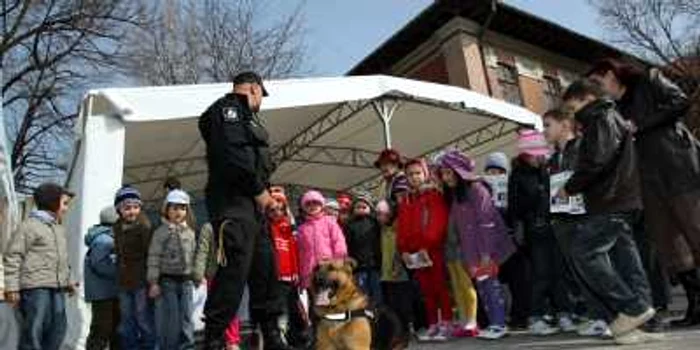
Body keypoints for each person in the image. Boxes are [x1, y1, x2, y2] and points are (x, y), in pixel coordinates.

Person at [587, 58, 700, 327]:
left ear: (612, 75)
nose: (599, 89)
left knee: (696, 229)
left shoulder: (648, 79)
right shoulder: (614, 108)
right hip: (648, 181)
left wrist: (641, 124)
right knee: (671, 245)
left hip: (678, 166)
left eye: (599, 82)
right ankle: (696, 305)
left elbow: (681, 101)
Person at [559, 79, 659, 345]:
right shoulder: (610, 117)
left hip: (612, 201)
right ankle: (634, 326)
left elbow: (596, 161)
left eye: (573, 106)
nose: (573, 114)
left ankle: (633, 309)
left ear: (587, 98)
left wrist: (570, 187)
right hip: (620, 200)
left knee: (584, 251)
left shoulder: (600, 118)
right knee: (627, 262)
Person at [199, 71, 291, 349]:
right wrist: (260, 192)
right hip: (233, 204)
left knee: (265, 271)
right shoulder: (228, 110)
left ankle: (272, 334)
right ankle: (214, 339)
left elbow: (252, 161)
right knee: (234, 274)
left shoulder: (246, 117)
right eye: (262, 94)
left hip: (252, 206)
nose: (262, 100)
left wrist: (267, 191)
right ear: (253, 88)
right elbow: (233, 157)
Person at [543, 109, 610, 337]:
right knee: (577, 271)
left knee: (596, 267)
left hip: (585, 217)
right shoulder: (552, 159)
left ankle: (613, 315)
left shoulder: (582, 148)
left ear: (564, 125)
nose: (544, 131)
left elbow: (591, 176)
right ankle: (598, 316)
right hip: (562, 221)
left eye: (548, 125)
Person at [436, 151, 515, 340]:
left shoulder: (477, 189)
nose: (445, 178)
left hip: (487, 250)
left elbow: (486, 222)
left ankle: (499, 324)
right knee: (483, 287)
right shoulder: (457, 195)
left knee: (491, 286)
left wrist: (487, 253)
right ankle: (494, 323)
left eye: (448, 172)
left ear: (458, 171)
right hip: (473, 253)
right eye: (443, 174)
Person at [4, 183, 76, 350]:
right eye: (64, 203)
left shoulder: (57, 228)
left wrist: (69, 280)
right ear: (52, 202)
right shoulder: (29, 226)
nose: (66, 208)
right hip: (35, 287)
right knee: (34, 327)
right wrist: (12, 287)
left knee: (58, 327)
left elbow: (62, 259)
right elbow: (13, 256)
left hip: (57, 287)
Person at [397, 158, 452, 342]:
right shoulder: (405, 200)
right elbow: (402, 227)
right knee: (426, 290)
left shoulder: (433, 195)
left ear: (425, 174)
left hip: (431, 249)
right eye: (410, 174)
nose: (414, 177)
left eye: (417, 173)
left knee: (439, 287)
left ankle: (446, 322)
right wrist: (403, 249)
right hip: (414, 253)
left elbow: (437, 223)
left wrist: (426, 246)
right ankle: (433, 324)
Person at [147, 189, 197, 349]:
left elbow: (194, 255)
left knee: (187, 317)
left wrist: (198, 275)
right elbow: (153, 257)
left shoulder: (190, 232)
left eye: (182, 208)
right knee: (171, 320)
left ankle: (187, 346)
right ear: (166, 210)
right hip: (167, 281)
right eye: (174, 208)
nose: (178, 212)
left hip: (186, 281)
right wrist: (154, 282)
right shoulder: (160, 232)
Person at [113, 185, 156, 350]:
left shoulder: (144, 226)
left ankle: (149, 346)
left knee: (143, 317)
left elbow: (151, 254)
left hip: (141, 280)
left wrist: (152, 280)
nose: (132, 211)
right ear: (119, 209)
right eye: (127, 208)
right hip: (124, 281)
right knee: (126, 319)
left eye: (136, 207)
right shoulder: (117, 227)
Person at [266, 191, 311, 348]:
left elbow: (294, 252)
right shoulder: (267, 228)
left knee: (295, 309)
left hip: (291, 277)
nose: (277, 213)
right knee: (277, 311)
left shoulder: (289, 228)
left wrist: (297, 273)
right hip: (276, 278)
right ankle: (277, 339)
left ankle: (299, 337)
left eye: (281, 209)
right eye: (273, 210)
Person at [194, 222, 245, 350]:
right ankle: (217, 339)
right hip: (215, 275)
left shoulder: (235, 224)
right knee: (215, 309)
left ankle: (232, 340)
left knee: (232, 308)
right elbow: (203, 250)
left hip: (233, 274)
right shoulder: (208, 227)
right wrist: (199, 273)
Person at [377, 199, 413, 346]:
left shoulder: (398, 227)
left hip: (400, 273)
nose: (380, 218)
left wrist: (398, 265)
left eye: (383, 214)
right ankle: (397, 333)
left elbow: (401, 247)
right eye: (378, 215)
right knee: (391, 307)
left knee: (403, 305)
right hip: (386, 275)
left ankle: (407, 331)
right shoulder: (382, 230)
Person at [84, 206, 121, 350]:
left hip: (109, 291)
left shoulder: (108, 237)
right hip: (103, 293)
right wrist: (120, 271)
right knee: (102, 330)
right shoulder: (103, 240)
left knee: (113, 329)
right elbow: (99, 264)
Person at [296, 190, 348, 292]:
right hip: (309, 272)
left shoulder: (329, 222)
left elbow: (338, 241)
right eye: (308, 204)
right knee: (314, 302)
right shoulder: (302, 229)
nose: (312, 206)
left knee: (327, 300)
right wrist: (301, 275)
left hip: (327, 267)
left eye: (315, 203)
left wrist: (338, 262)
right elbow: (300, 252)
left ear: (322, 205)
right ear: (303, 208)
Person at [344, 192, 383, 304]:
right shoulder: (349, 225)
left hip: (375, 265)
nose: (361, 209)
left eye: (364, 207)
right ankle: (366, 315)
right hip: (359, 267)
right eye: (358, 207)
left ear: (370, 208)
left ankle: (379, 314)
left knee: (377, 293)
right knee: (362, 293)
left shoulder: (375, 223)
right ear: (353, 209)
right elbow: (348, 245)